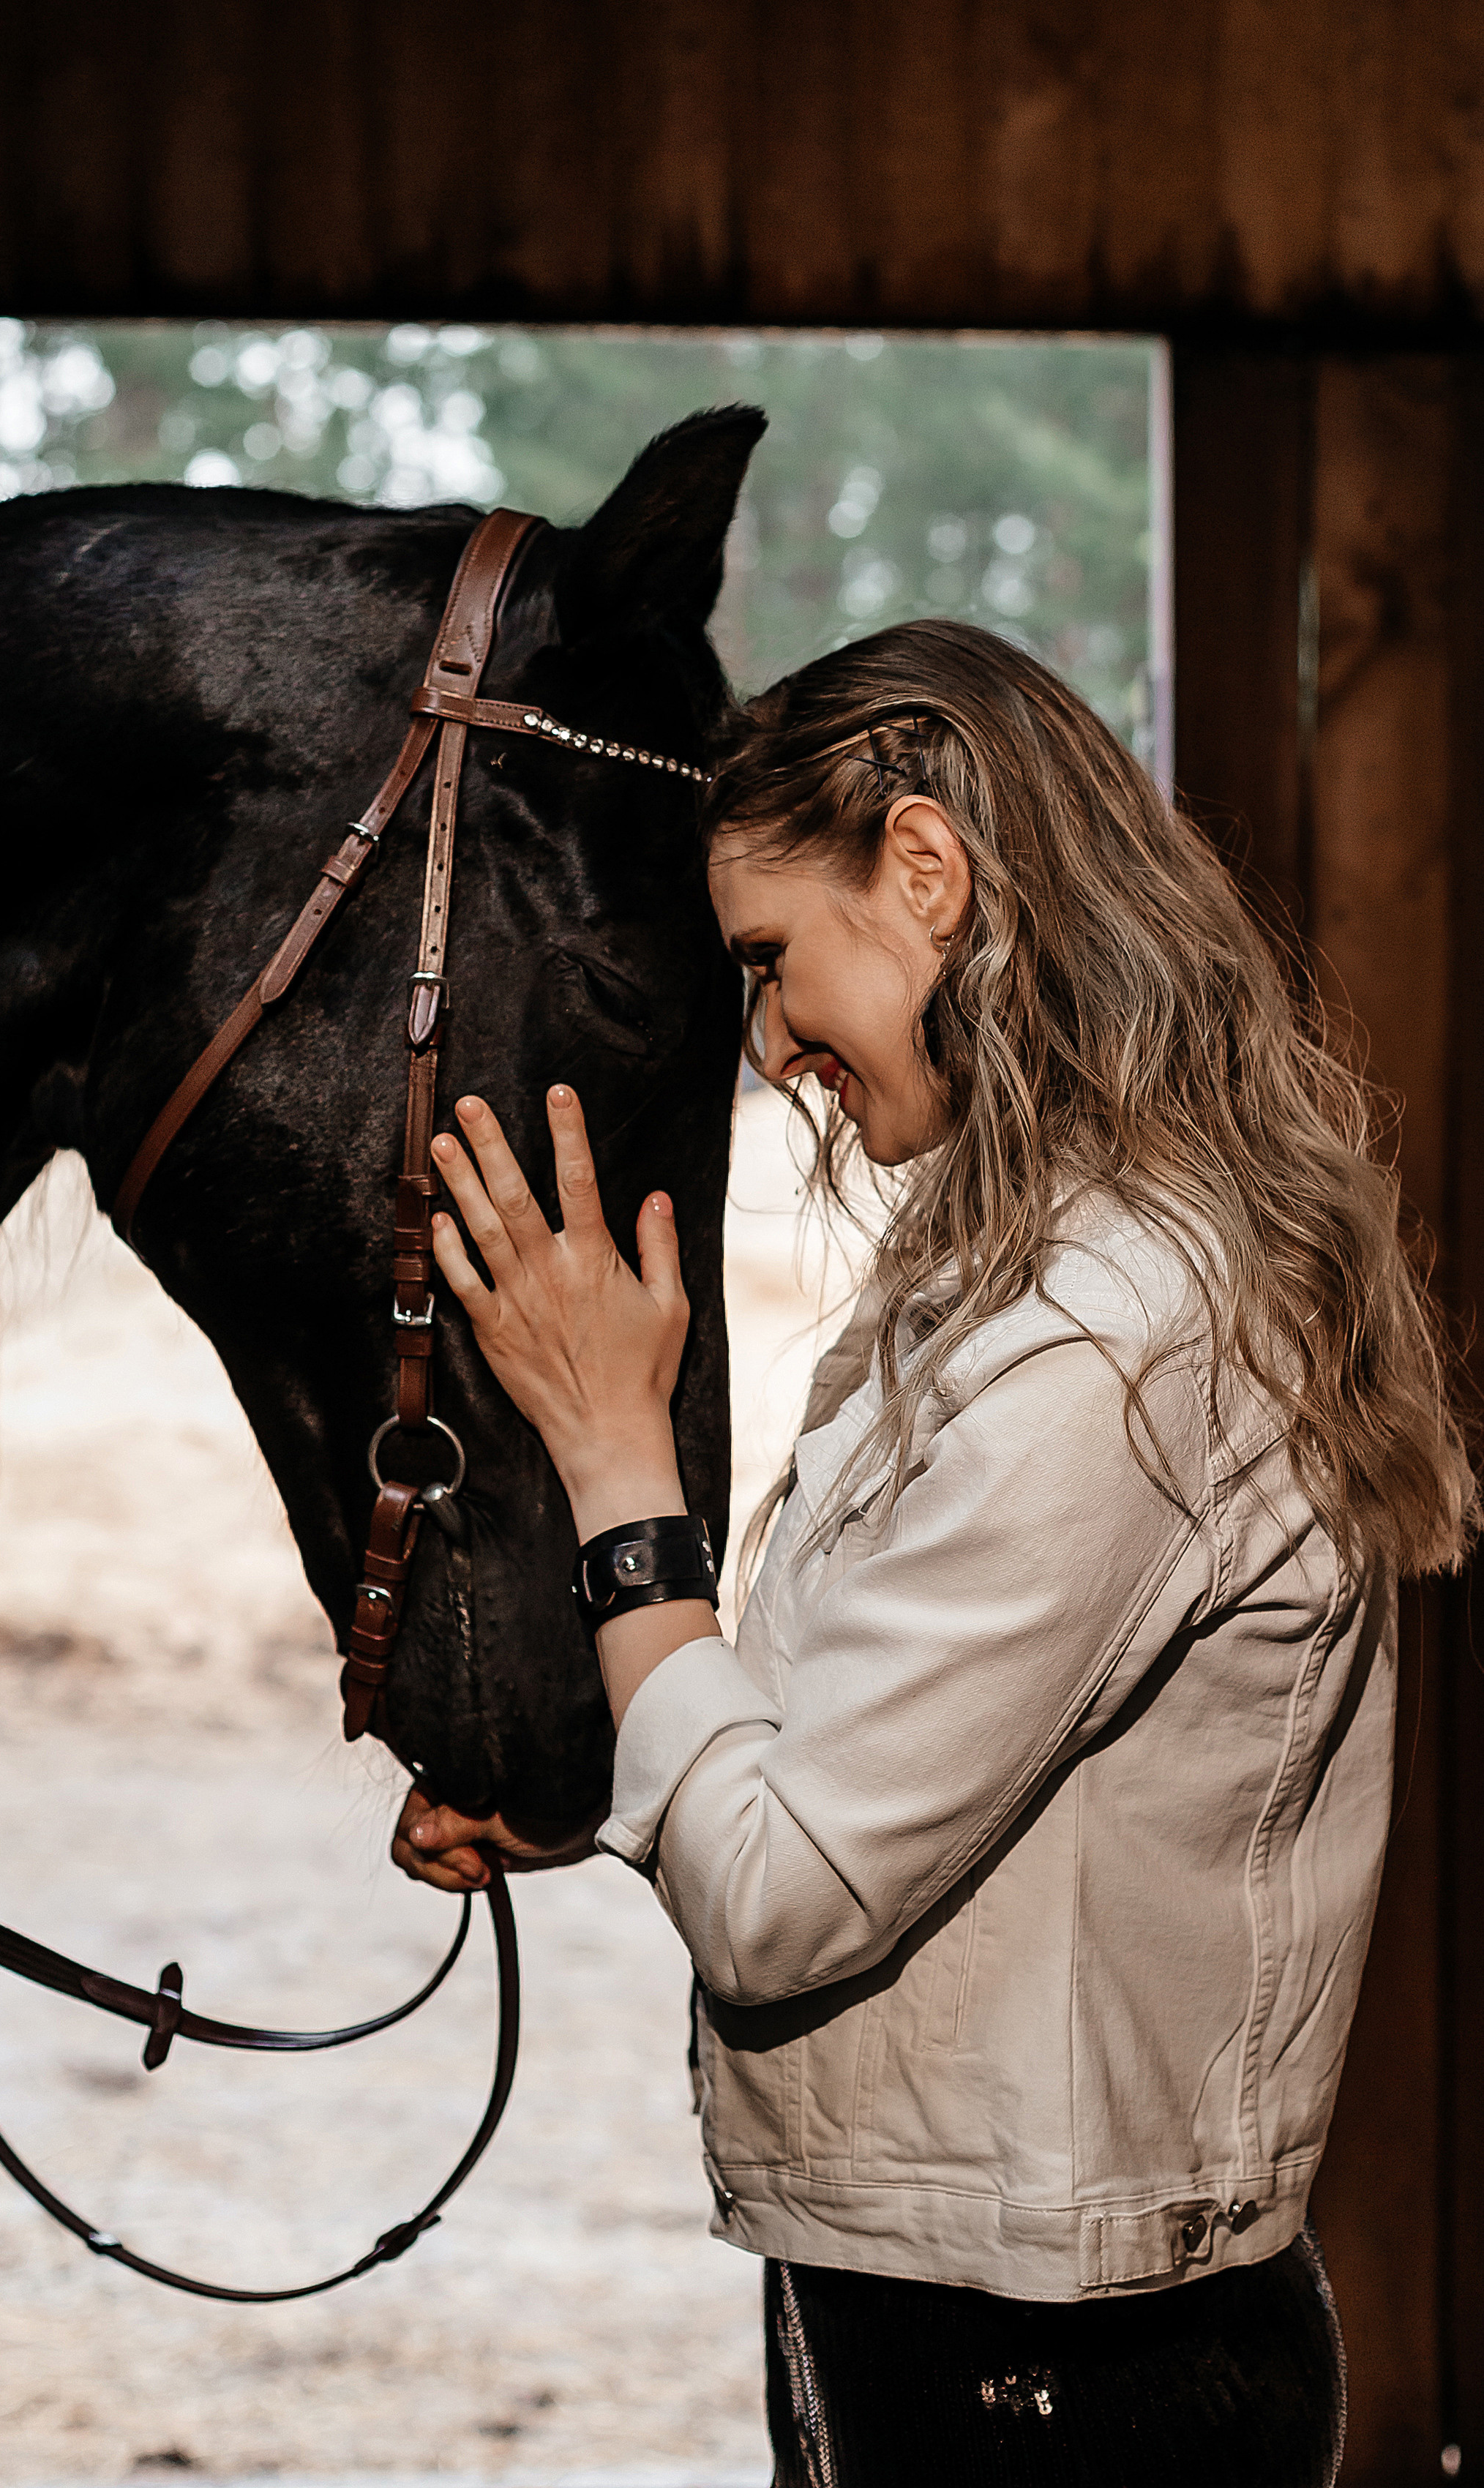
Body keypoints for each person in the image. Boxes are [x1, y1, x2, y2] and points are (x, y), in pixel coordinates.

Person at [391, 621, 1475, 2485]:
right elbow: (896, 1752)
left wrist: (610, 1453)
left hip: (1049, 2383)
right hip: (969, 2329)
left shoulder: (1116, 1326)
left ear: (924, 869)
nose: (772, 1042)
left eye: (772, 961)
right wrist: (609, 1796)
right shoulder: (1027, 1266)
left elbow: (783, 1894)